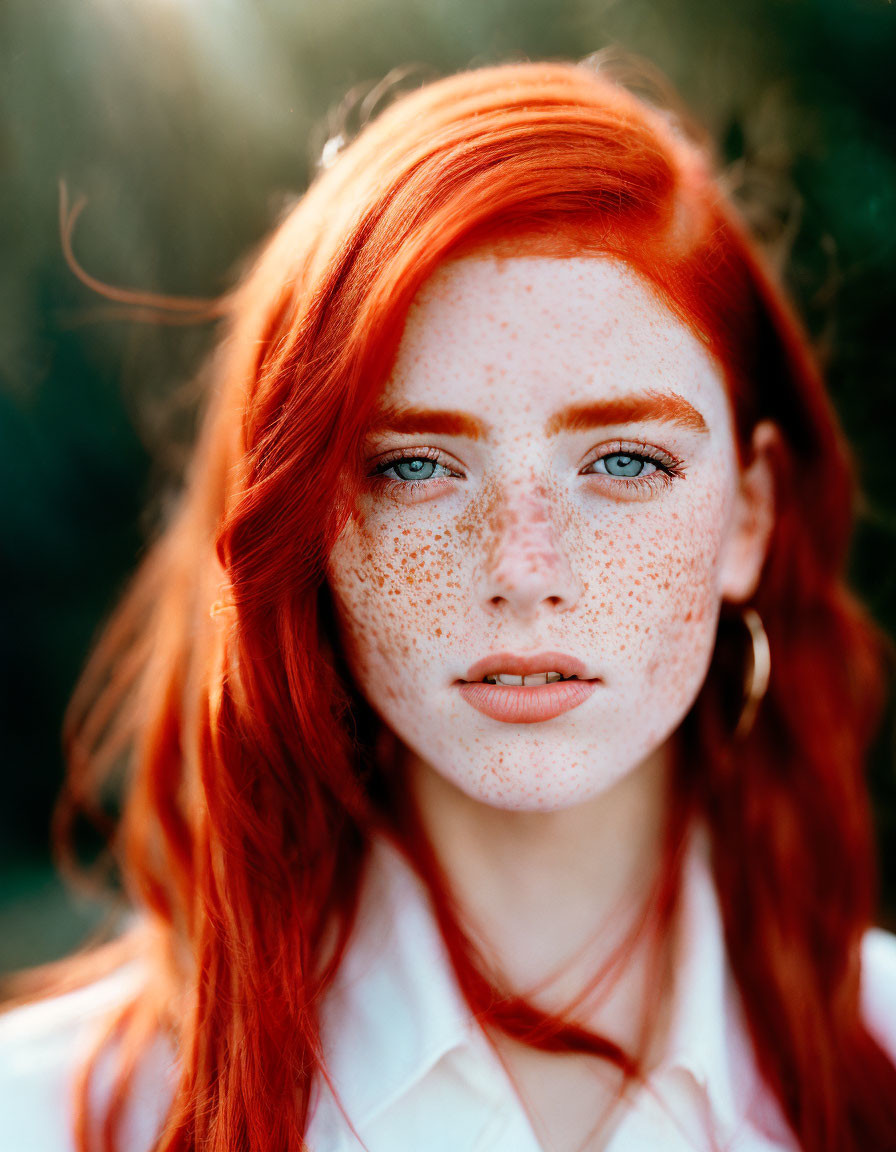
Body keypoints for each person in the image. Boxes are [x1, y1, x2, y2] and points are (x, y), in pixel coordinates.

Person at [1, 54, 896, 1152]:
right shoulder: (52, 1116)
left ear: (749, 517)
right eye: (414, 468)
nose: (521, 567)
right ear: (308, 531)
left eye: (623, 462)